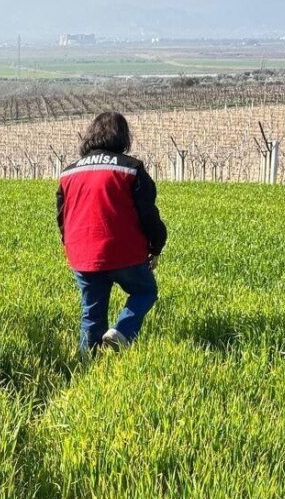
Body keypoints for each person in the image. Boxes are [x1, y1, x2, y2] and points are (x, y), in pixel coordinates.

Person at [57, 111, 168, 355]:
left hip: (82, 254)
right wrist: (157, 246)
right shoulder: (131, 169)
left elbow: (62, 217)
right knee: (145, 291)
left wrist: (71, 245)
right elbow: (148, 213)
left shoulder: (68, 173)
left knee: (92, 310)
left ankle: (88, 366)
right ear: (123, 136)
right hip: (123, 251)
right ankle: (122, 332)